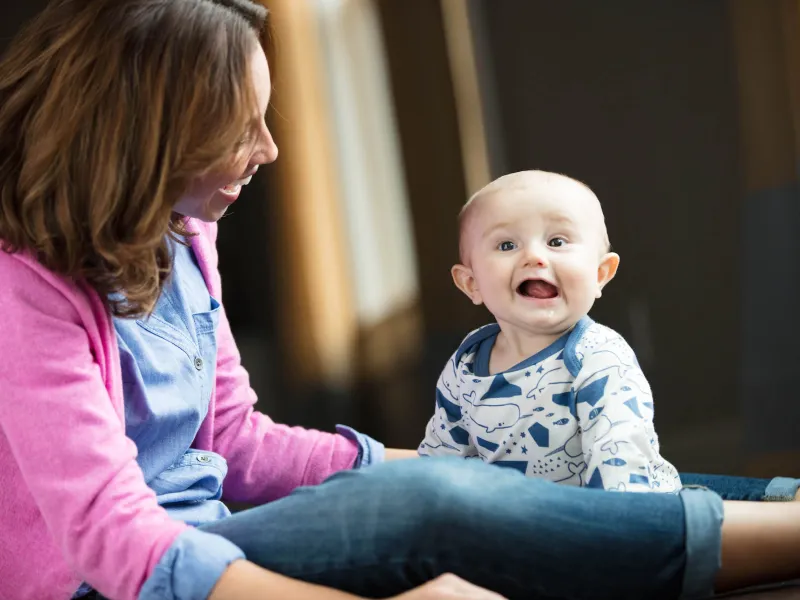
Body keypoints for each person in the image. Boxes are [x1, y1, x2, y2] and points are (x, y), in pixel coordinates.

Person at [2, 1, 800, 600]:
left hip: (210, 533)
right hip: (114, 582)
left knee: (520, 460)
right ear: (150, 136)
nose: (269, 148)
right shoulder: (22, 289)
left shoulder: (181, 234)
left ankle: (782, 504)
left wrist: (457, 462)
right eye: (238, 126)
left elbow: (234, 442)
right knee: (425, 503)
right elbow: (114, 543)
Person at [419, 171, 679, 493]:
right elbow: (441, 461)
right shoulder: (466, 366)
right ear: (472, 283)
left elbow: (620, 464)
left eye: (557, 241)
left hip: (616, 517)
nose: (534, 257)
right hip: (522, 526)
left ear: (600, 274)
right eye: (507, 244)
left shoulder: (597, 357)